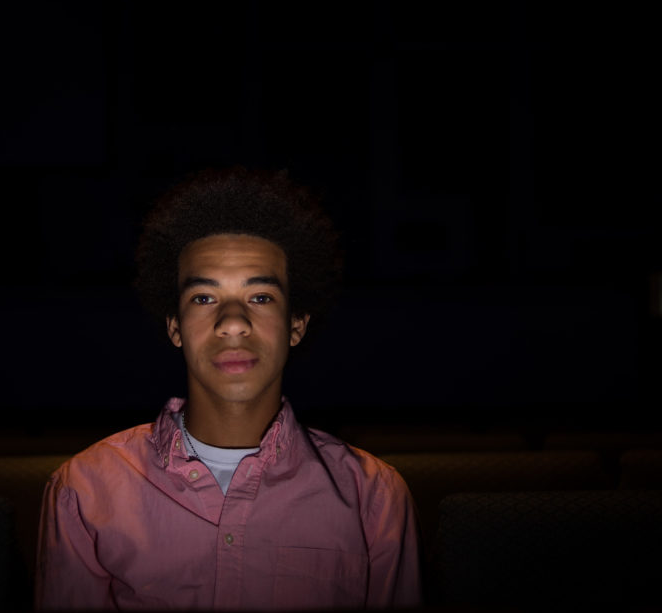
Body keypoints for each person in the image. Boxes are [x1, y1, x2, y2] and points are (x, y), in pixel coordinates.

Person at [36, 167, 421, 610]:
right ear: (175, 327)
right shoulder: (84, 490)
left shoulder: (373, 496)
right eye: (204, 298)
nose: (233, 322)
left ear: (296, 325)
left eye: (260, 297)